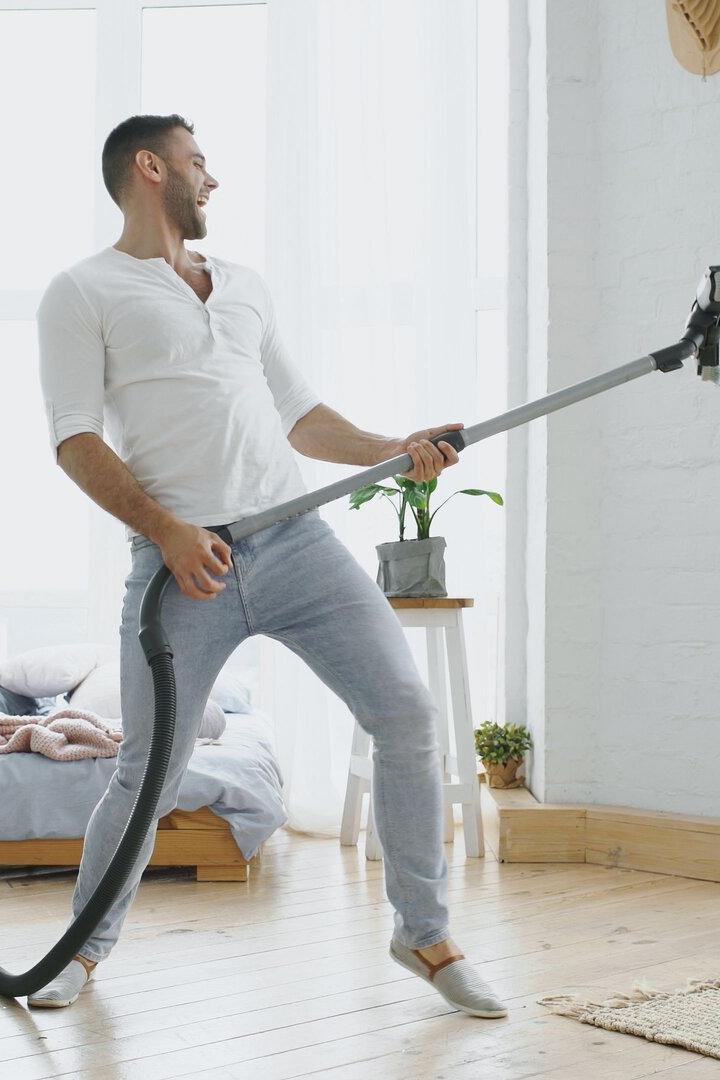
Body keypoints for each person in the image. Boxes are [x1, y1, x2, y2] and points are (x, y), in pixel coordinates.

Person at [32, 114, 506, 1019]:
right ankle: (82, 953)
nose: (210, 180)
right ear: (150, 167)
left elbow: (299, 416)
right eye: (197, 162)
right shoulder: (81, 291)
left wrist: (391, 447)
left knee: (406, 714)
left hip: (298, 544)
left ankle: (424, 933)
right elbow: (76, 440)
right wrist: (167, 530)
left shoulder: (244, 287)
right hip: (183, 565)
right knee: (148, 771)